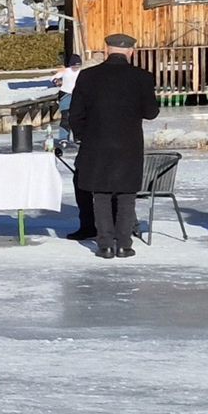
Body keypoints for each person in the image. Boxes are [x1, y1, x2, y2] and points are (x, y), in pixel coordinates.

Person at [68, 34, 160, 259]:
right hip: (128, 145)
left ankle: (106, 245)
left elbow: (75, 114)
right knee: (126, 195)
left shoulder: (88, 76)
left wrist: (83, 136)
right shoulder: (142, 77)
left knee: (101, 194)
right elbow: (151, 113)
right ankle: (124, 245)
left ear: (106, 50)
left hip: (96, 143)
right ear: (131, 52)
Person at [51, 54, 82, 148]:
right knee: (66, 117)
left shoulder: (82, 72)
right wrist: (57, 81)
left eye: (78, 66)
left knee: (78, 117)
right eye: (74, 66)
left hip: (78, 96)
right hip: (65, 95)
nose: (76, 68)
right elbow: (53, 78)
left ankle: (78, 137)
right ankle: (64, 137)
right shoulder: (65, 71)